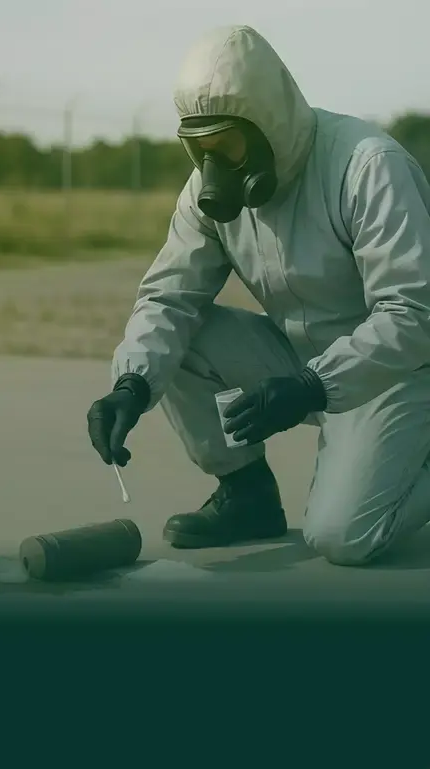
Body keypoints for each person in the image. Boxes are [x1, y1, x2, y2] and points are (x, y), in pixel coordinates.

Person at [87, 24, 430, 566]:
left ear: (269, 121)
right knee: (179, 337)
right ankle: (247, 495)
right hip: (303, 362)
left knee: (342, 537)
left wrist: (314, 385)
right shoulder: (205, 192)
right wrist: (130, 383)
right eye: (200, 150)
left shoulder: (366, 166)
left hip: (398, 372)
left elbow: (413, 313)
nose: (213, 167)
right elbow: (168, 299)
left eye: (226, 146)